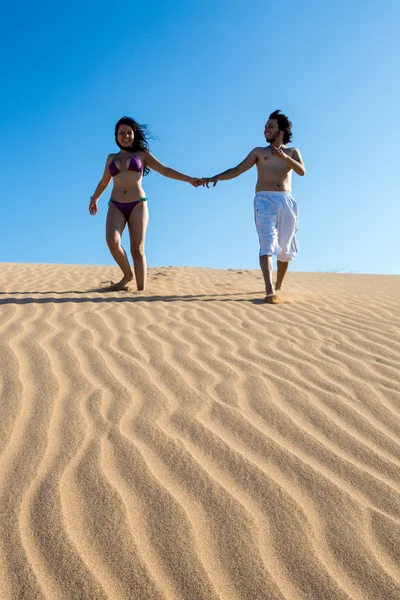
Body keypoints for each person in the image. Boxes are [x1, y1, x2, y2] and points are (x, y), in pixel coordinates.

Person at [202, 110, 306, 303]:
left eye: (270, 126)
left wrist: (285, 158)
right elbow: (237, 169)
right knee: (267, 242)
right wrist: (216, 177)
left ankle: (279, 285)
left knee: (285, 247)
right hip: (264, 201)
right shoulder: (259, 152)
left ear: (281, 130)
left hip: (286, 201)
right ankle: (268, 289)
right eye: (266, 127)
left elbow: (302, 171)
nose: (266, 130)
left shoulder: (292, 152)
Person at [89, 116, 201, 291]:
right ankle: (127, 274)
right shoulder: (111, 158)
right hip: (116, 204)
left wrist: (189, 179)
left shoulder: (142, 155)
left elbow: (165, 170)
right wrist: (94, 198)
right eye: (121, 133)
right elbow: (104, 181)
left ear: (134, 135)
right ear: (116, 136)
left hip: (138, 204)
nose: (125, 136)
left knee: (137, 249)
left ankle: (141, 293)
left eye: (128, 133)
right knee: (112, 240)